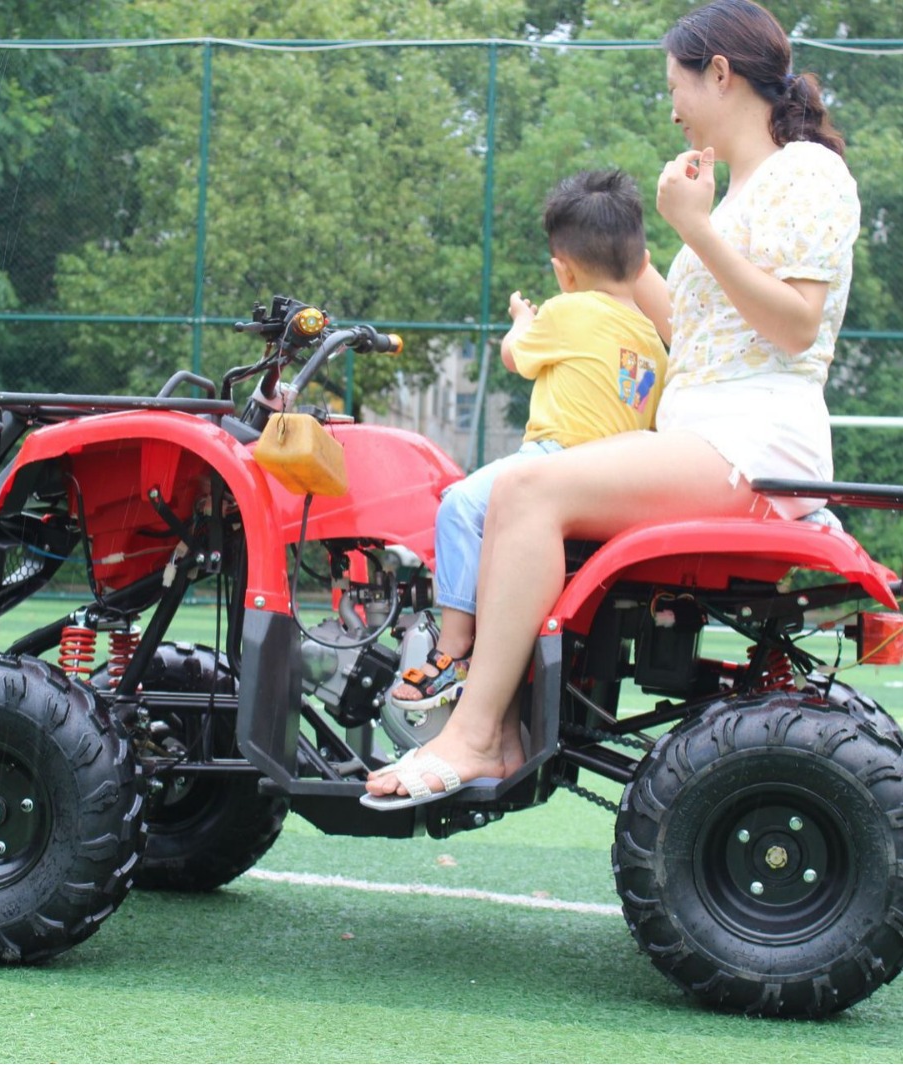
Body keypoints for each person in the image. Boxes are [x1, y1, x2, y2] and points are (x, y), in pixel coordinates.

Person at [363, 0, 861, 810]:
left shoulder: (804, 172)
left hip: (751, 440)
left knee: (526, 486)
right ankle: (507, 728)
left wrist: (691, 230)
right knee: (507, 493)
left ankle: (476, 729)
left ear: (721, 75)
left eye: (677, 85)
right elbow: (697, 338)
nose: (671, 106)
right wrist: (627, 257)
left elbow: (794, 325)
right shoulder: (732, 193)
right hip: (703, 427)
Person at [389, 168, 668, 714]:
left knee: (459, 506)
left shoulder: (568, 311)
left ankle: (453, 649)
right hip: (619, 478)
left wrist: (522, 320)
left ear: (562, 272)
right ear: (642, 262)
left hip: (555, 459)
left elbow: (515, 357)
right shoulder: (656, 344)